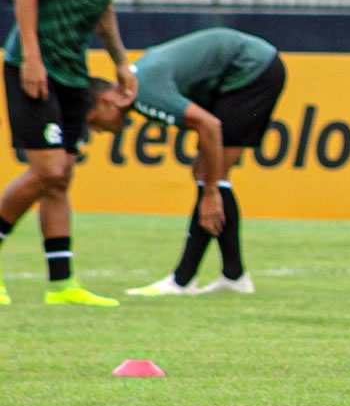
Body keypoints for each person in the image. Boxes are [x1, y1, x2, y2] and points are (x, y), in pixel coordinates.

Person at [0, 0, 187, 307]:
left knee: (61, 177)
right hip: (34, 68)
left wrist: (120, 62)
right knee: (47, 170)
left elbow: (102, 10)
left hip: (72, 73)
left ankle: (62, 285)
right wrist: (31, 57)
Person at [86, 27, 286, 296]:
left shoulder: (143, 94)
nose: (97, 130)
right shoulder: (137, 86)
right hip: (245, 68)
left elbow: (210, 125)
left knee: (211, 175)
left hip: (252, 69)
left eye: (93, 121)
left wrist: (211, 193)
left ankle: (185, 281)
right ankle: (231, 276)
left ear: (106, 100)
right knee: (206, 172)